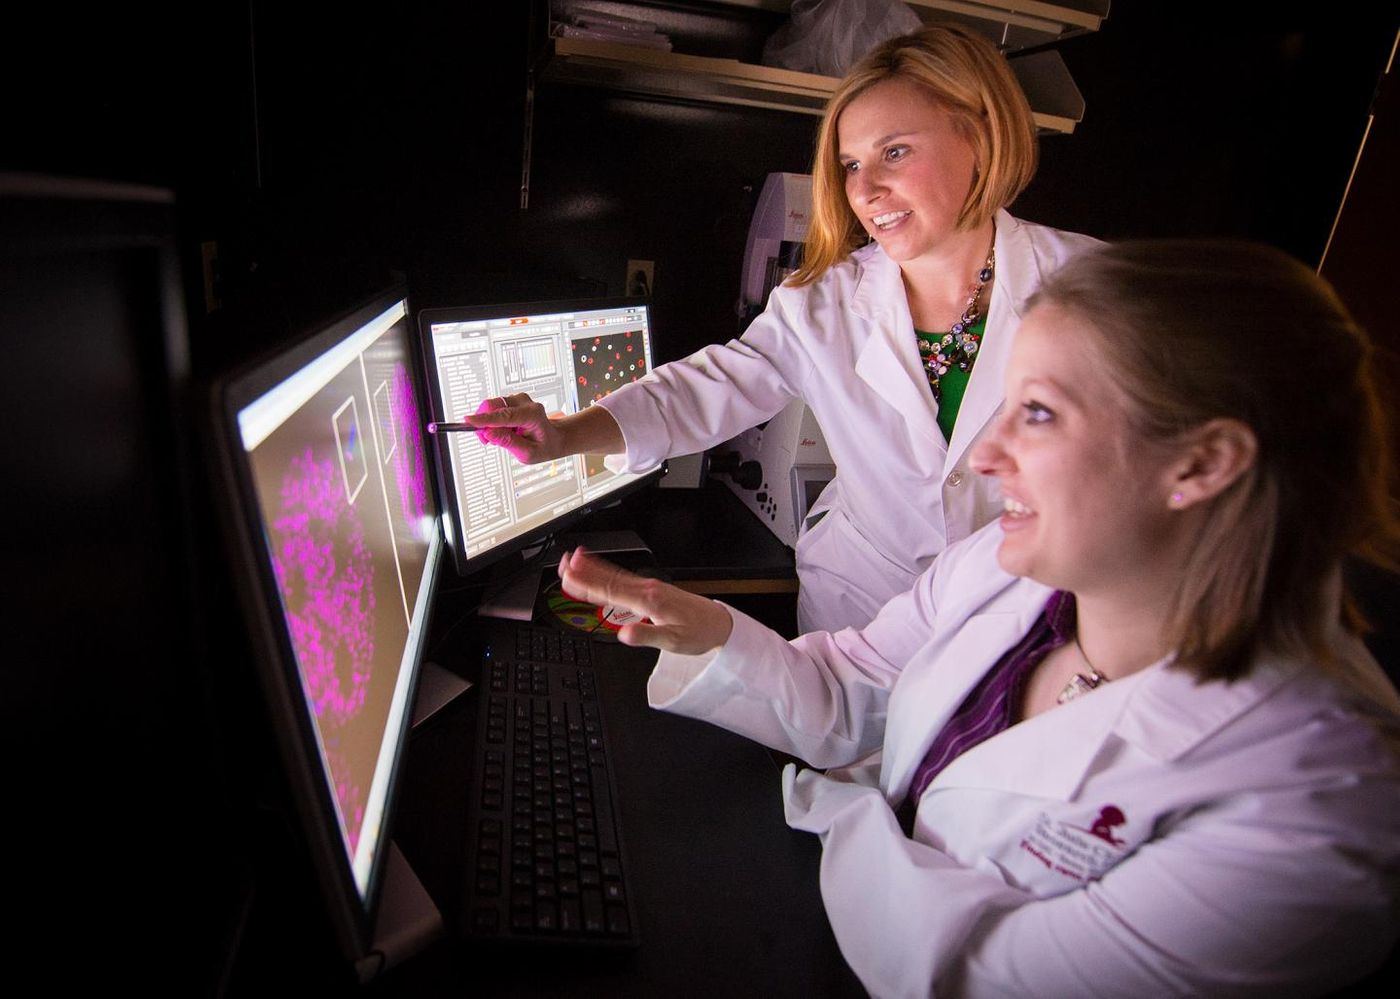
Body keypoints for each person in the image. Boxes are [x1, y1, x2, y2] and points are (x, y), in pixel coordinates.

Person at [553, 240, 1400, 997]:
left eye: (1039, 412)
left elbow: (970, 974)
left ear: (1204, 461)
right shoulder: (1019, 574)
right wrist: (704, 626)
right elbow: (856, 687)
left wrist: (845, 813)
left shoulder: (1314, 813)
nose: (985, 457)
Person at [463, 24, 1100, 634]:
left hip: (1021, 611)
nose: (866, 189)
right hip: (865, 603)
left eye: (895, 152)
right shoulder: (820, 302)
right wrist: (565, 435)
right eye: (850, 165)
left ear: (982, 140)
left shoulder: (1099, 286)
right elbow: (706, 389)